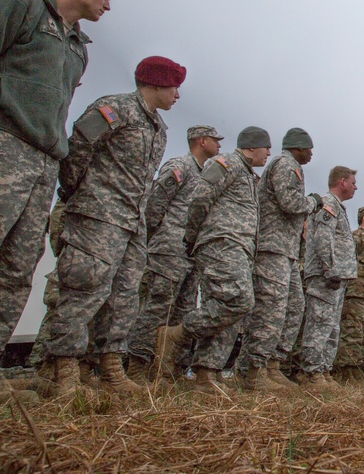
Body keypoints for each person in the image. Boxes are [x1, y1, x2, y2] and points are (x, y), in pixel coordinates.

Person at [0, 0, 119, 356]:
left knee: (17, 270)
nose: (108, 4)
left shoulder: (77, 48)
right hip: (7, 146)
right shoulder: (25, 6)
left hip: (44, 165)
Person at [46, 56, 181, 396]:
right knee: (83, 289)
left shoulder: (158, 128)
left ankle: (109, 369)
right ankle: (64, 372)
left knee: (123, 297)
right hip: (99, 214)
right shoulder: (115, 108)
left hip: (132, 223)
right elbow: (78, 147)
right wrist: (79, 193)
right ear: (156, 83)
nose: (178, 95)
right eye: (175, 86)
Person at [154, 126, 270, 394]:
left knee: (226, 309)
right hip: (221, 242)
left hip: (238, 247)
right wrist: (195, 236)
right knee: (239, 300)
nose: (269, 153)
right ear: (252, 147)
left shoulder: (249, 175)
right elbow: (200, 197)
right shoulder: (227, 162)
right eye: (266, 147)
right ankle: (176, 334)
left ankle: (207, 374)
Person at [126, 125, 223, 381]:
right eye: (215, 140)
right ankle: (137, 363)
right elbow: (156, 204)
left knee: (183, 311)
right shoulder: (180, 166)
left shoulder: (205, 174)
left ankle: (169, 369)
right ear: (202, 141)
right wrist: (156, 237)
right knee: (159, 306)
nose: (219, 145)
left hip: (190, 253)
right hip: (169, 249)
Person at [237, 128, 323, 390]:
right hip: (271, 248)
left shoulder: (289, 165)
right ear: (298, 147)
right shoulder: (286, 164)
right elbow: (290, 203)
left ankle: (272, 364)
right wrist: (313, 202)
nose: (311, 154)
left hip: (285, 251)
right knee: (270, 309)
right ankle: (253, 370)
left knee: (294, 306)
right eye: (309, 149)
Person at [297, 166, 357, 390]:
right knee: (320, 323)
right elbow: (323, 237)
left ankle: (323, 370)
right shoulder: (328, 204)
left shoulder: (338, 207)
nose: (355, 187)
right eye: (352, 182)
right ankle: (311, 373)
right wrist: (330, 269)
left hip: (336, 277)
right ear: (342, 182)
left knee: (331, 326)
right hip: (326, 276)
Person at [333, 206, 364, 382]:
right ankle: (344, 371)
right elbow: (346, 259)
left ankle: (356, 370)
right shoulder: (357, 237)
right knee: (352, 334)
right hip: (356, 293)